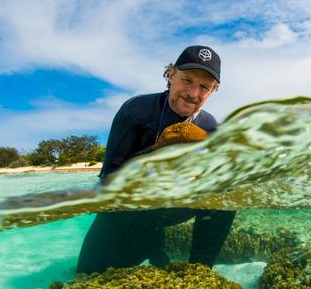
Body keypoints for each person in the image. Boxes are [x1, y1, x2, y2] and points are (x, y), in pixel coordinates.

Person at [76, 45, 236, 274]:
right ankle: (152, 244)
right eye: (187, 80)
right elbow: (107, 179)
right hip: (123, 215)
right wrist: (155, 154)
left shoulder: (211, 128)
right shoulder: (135, 112)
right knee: (84, 277)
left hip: (168, 210)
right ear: (170, 75)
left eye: (204, 87)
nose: (193, 93)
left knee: (228, 190)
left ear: (212, 90)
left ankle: (199, 273)